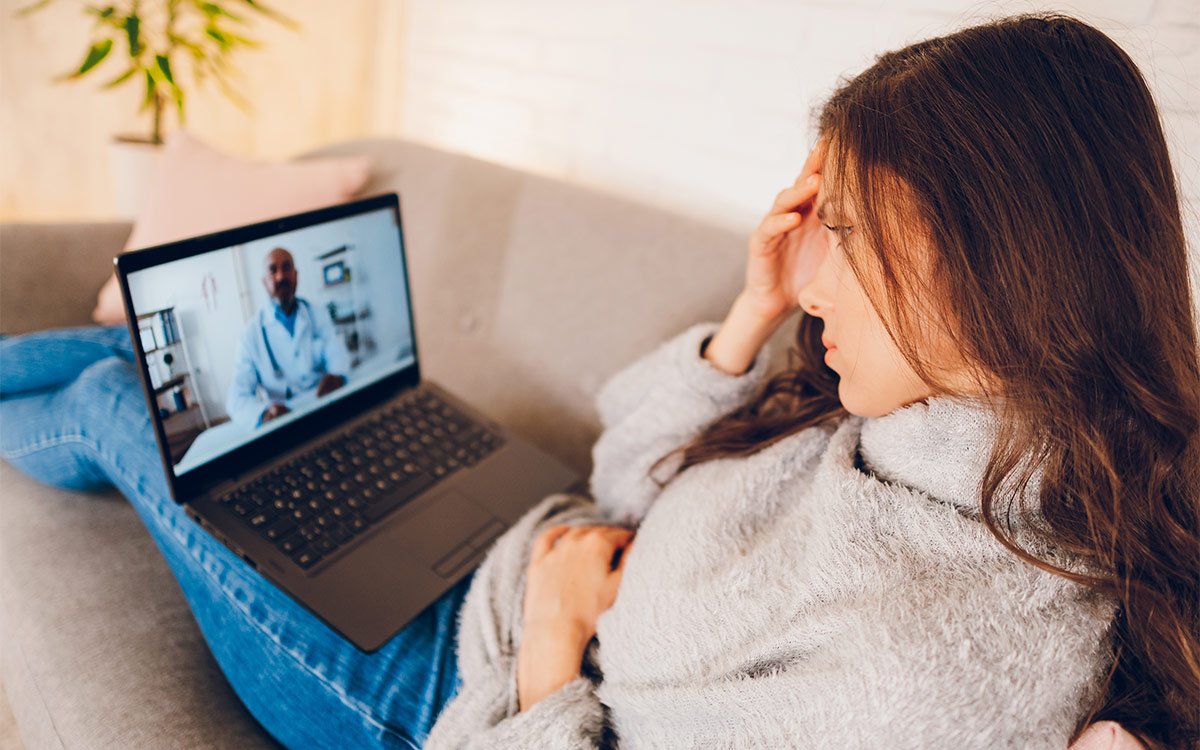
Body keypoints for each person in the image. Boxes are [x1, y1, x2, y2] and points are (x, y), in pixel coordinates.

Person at [0, 11, 1195, 750]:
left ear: (1001, 255)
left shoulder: (921, 680)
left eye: (854, 231)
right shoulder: (920, 419)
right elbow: (631, 480)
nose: (816, 273)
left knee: (127, 400)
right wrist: (750, 315)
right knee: (154, 370)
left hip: (433, 690)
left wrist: (551, 659)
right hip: (518, 556)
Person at [226, 247, 352, 427]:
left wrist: (336, 375)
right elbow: (237, 397)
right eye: (273, 270)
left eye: (286, 268)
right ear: (264, 281)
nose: (280, 277)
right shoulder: (251, 335)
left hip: (324, 406)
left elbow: (337, 352)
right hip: (284, 421)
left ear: (296, 275)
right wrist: (264, 414)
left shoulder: (317, 314)